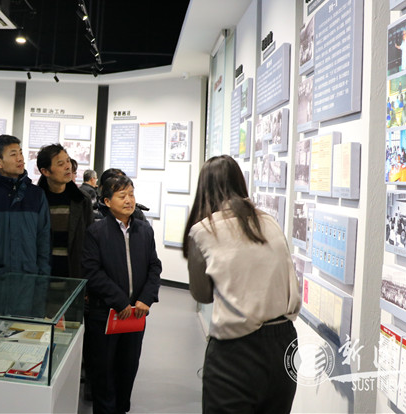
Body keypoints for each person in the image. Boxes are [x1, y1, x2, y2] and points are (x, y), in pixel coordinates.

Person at [183, 155, 300, 414]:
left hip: (236, 349)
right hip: (284, 344)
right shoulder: (269, 222)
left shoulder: (203, 231)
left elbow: (202, 294)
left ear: (204, 188)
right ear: (240, 182)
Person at [82, 174, 161, 414]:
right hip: (105, 314)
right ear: (107, 201)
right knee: (103, 370)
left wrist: (146, 298)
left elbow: (154, 266)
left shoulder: (144, 230)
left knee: (128, 368)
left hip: (136, 314)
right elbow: (92, 271)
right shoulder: (96, 231)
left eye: (131, 194)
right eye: (122, 195)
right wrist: (119, 301)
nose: (129, 200)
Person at [0, 134, 51, 280]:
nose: (20, 159)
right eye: (13, 154)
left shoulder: (36, 194)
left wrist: (43, 279)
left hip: (28, 279)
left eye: (20, 153)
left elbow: (44, 239)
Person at [37, 144, 93, 278]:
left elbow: (90, 240)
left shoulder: (82, 199)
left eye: (68, 161)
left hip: (73, 274)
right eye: (60, 164)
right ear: (45, 171)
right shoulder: (36, 200)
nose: (68, 167)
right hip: (42, 274)